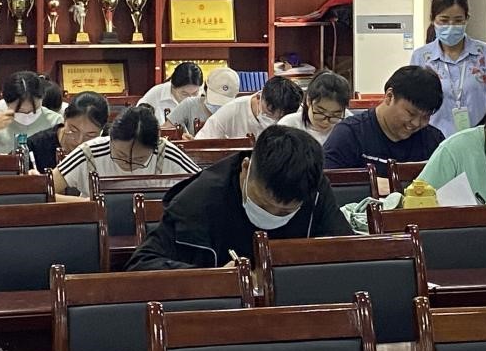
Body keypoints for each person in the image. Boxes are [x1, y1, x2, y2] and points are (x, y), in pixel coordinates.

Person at [126, 125, 353, 269]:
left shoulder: (312, 187)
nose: (273, 215)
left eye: (285, 212)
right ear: (245, 169)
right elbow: (141, 264)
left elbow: (349, 255)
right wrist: (212, 279)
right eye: (264, 205)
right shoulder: (198, 201)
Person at [323, 65, 445, 194]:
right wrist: (369, 185)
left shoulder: (433, 141)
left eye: (426, 117)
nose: (416, 123)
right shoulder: (349, 134)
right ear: (389, 96)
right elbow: (325, 184)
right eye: (411, 113)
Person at [53, 104, 200, 198]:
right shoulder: (89, 152)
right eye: (120, 155)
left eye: (140, 159)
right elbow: (44, 193)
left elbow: (205, 190)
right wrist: (88, 204)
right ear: (110, 139)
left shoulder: (165, 152)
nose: (129, 165)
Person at [410, 0, 486, 137]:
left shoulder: (485, 53)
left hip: (478, 138)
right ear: (433, 19)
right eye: (444, 20)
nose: (451, 26)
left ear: (467, 19)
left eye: (458, 20)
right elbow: (414, 103)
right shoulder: (421, 57)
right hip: (434, 140)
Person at [0, 71, 63, 155]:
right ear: (6, 102)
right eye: (20, 111)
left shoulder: (55, 121)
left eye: (34, 110)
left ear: (42, 98)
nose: (27, 114)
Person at [195, 75, 302, 140]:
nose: (274, 120)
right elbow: (201, 143)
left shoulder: (298, 114)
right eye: (269, 112)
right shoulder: (232, 110)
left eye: (281, 117)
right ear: (259, 96)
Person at [27, 91, 108, 172]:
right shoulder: (35, 146)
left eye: (90, 135)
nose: (79, 141)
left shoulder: (109, 149)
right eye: (73, 130)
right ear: (65, 118)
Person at [278, 70, 351, 144]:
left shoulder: (349, 123)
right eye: (320, 112)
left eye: (335, 115)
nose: (325, 122)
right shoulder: (289, 125)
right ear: (308, 100)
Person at [164, 67, 240, 138]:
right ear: (205, 89)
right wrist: (180, 137)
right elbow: (164, 132)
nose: (219, 106)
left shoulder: (241, 110)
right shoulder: (190, 104)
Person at [138, 62, 204, 124]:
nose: (190, 99)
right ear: (172, 86)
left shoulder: (204, 94)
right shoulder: (155, 95)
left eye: (195, 93)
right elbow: (138, 123)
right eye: (184, 94)